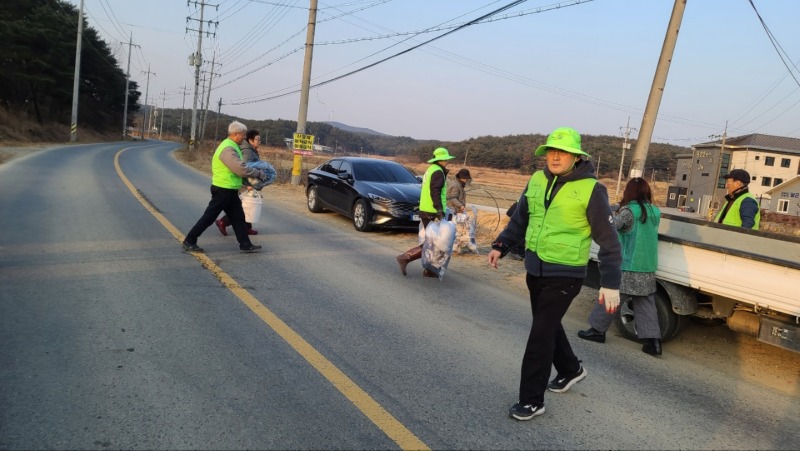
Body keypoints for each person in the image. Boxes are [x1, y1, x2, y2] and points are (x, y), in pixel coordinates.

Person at [487, 127, 622, 421]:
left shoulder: (592, 189)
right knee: (546, 326)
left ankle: (532, 400)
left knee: (540, 336)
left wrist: (611, 284)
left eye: (563, 152)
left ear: (577, 156)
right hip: (535, 268)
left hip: (566, 274)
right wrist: (501, 244)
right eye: (551, 151)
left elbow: (610, 242)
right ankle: (571, 369)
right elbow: (521, 218)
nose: (556, 157)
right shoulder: (536, 179)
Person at [578, 177, 663, 356]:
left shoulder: (629, 212)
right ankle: (653, 343)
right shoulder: (654, 211)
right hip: (647, 266)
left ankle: (597, 331)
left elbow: (610, 226)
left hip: (628, 264)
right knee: (646, 304)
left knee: (610, 298)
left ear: (628, 192)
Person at [182, 121, 266, 254]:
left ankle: (245, 244)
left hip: (230, 189)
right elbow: (240, 168)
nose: (244, 137)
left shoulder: (232, 146)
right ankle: (189, 240)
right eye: (243, 134)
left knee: (238, 217)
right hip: (223, 189)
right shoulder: (228, 148)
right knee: (209, 217)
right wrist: (258, 173)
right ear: (236, 134)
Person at [395, 147, 455, 277]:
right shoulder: (438, 171)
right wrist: (439, 209)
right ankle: (406, 258)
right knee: (434, 242)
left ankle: (429, 270)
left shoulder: (431, 169)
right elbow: (435, 191)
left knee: (433, 242)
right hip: (432, 211)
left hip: (427, 209)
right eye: (446, 159)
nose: (447, 161)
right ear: (442, 160)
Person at [216, 129, 268, 236]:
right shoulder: (248, 152)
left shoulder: (251, 150)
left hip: (247, 183)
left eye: (259, 139)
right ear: (250, 140)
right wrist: (249, 184)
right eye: (257, 139)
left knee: (248, 204)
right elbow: (245, 168)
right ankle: (223, 221)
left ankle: (246, 227)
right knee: (243, 206)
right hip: (245, 183)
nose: (259, 141)